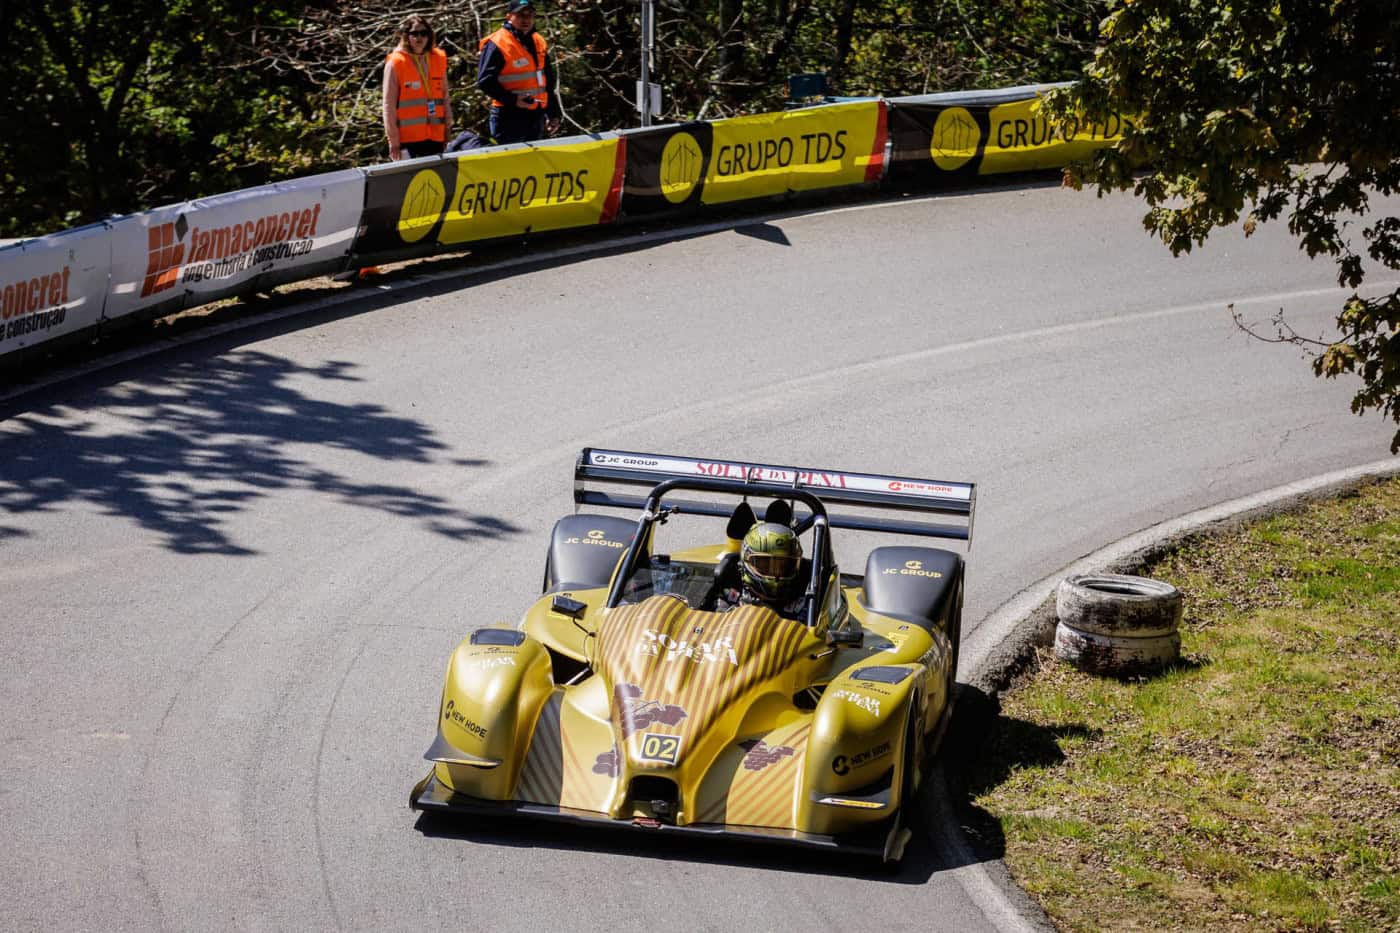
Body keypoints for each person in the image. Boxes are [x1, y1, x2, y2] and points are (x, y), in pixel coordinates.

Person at [477, 1, 562, 144]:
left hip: (536, 115)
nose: (526, 19)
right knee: (508, 164)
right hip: (508, 116)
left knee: (532, 164)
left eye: (530, 15)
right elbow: (485, 81)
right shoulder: (498, 42)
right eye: (520, 15)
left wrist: (553, 113)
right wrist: (514, 100)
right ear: (509, 16)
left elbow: (547, 80)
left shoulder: (538, 41)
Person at [383, 16, 451, 160]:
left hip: (435, 137)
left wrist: (447, 129)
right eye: (414, 33)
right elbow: (388, 106)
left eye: (423, 33)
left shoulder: (438, 59)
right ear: (406, 36)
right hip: (408, 140)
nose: (419, 37)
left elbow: (445, 97)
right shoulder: (396, 63)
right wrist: (393, 141)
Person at [715, 522, 808, 619]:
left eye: (783, 567)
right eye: (765, 566)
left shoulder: (803, 599)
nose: (775, 574)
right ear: (746, 561)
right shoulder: (730, 591)